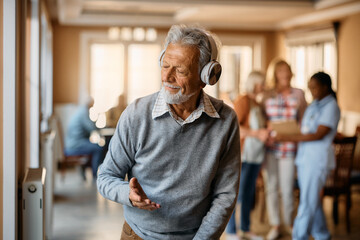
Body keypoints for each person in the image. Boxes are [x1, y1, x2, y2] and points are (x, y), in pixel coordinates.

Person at [97, 24, 241, 240]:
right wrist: (128, 194)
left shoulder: (225, 121)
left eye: (180, 70)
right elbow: (105, 177)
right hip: (137, 235)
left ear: (206, 76)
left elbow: (225, 195)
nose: (167, 77)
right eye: (165, 66)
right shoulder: (136, 114)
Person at [273, 72, 339, 240]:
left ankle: (299, 236)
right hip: (305, 159)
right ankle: (322, 234)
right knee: (312, 201)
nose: (312, 91)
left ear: (325, 87)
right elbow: (304, 129)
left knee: (307, 203)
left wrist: (288, 137)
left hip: (317, 161)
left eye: (315, 88)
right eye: (310, 88)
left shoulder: (331, 106)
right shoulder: (314, 105)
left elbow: (318, 134)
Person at [261, 58, 307, 240]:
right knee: (271, 187)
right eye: (281, 71)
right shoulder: (266, 95)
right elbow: (262, 119)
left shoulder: (299, 94)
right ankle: (275, 224)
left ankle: (288, 223)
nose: (285, 74)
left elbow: (304, 119)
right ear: (275, 74)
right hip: (270, 147)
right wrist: (267, 129)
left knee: (287, 189)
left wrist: (296, 133)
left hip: (289, 146)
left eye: (287, 70)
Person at [226, 71, 269, 240]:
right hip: (244, 155)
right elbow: (235, 127)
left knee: (249, 194)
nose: (264, 86)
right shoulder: (243, 101)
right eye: (262, 83)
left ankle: (245, 228)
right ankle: (231, 231)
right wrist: (257, 133)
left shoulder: (257, 103)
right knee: (237, 194)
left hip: (256, 156)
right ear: (254, 84)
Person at [65, 97, 104, 179]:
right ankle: (95, 175)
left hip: (73, 143)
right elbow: (91, 128)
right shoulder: (83, 112)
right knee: (98, 148)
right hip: (74, 145)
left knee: (93, 146)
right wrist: (98, 124)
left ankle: (90, 172)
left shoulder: (80, 111)